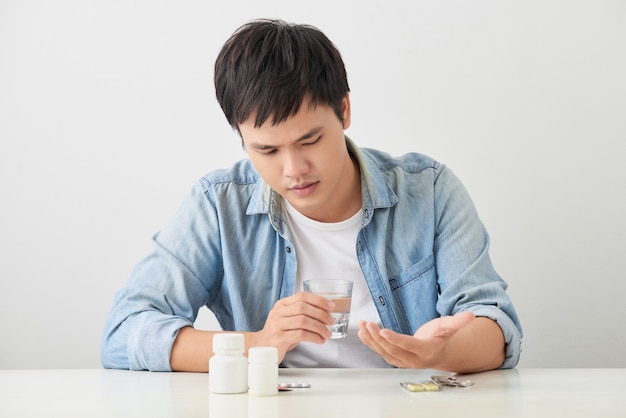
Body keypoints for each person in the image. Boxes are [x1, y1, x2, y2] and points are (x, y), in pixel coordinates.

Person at [101, 18, 522, 373]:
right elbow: (124, 332)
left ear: (344, 111)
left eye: (311, 140)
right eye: (266, 150)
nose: (293, 169)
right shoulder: (218, 204)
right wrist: (257, 344)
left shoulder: (429, 191)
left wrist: (441, 352)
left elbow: (497, 326)